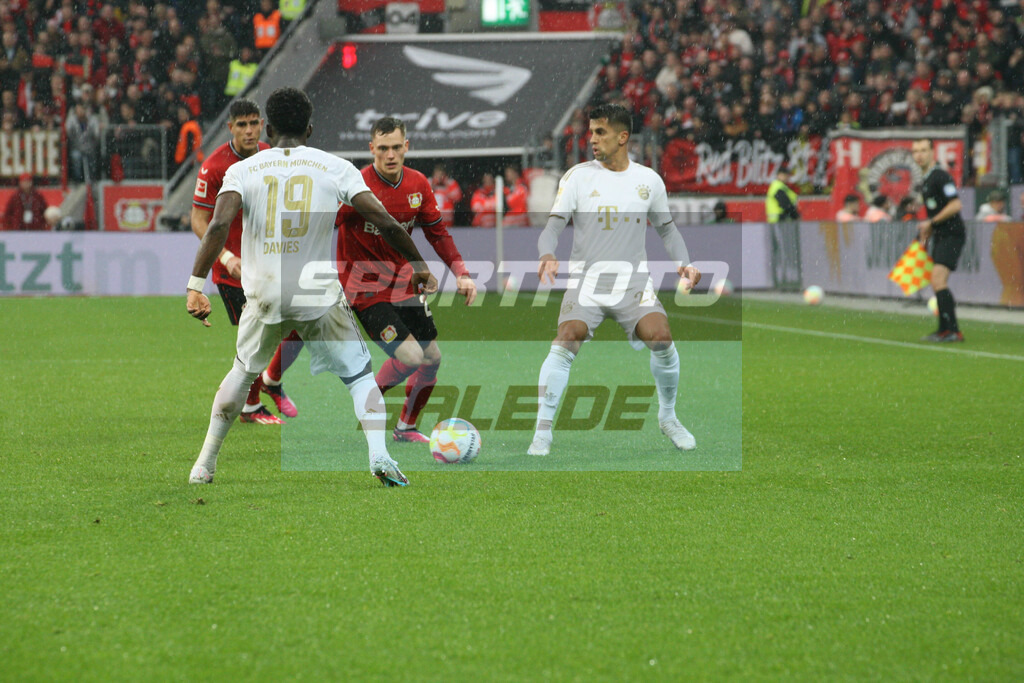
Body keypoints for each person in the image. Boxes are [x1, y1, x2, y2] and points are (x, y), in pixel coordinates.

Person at [186, 87, 437, 486]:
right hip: (317, 295)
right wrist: (419, 266)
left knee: (241, 374)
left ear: (268, 128)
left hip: (265, 293)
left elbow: (217, 226)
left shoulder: (243, 170)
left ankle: (204, 465)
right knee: (358, 377)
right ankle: (379, 455)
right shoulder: (335, 167)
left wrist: (195, 284)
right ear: (310, 128)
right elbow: (387, 221)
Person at [528, 103, 701, 456]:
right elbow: (552, 228)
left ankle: (668, 417)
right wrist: (547, 253)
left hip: (632, 284)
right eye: (591, 132)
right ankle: (542, 431)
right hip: (587, 282)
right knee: (566, 337)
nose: (592, 139)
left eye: (600, 132)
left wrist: (685, 263)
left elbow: (667, 230)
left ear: (623, 137)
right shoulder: (577, 177)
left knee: (662, 338)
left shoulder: (648, 181)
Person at [336, 116, 477, 443]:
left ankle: (406, 428)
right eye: (382, 148)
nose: (390, 154)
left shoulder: (418, 184)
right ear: (371, 149)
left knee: (432, 359)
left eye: (396, 147)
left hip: (404, 284)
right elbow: (324, 224)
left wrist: (462, 273)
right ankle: (367, 398)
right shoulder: (355, 185)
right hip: (365, 288)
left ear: (406, 147)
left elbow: (438, 234)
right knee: (411, 356)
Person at [192, 98, 300, 424]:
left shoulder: (270, 155)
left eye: (254, 123)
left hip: (270, 262)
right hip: (233, 272)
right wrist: (225, 257)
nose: (250, 131)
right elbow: (199, 220)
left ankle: (271, 380)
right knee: (257, 338)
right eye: (242, 125)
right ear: (230, 128)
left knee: (305, 321)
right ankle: (251, 407)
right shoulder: (215, 166)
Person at [912, 138, 966, 342]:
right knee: (936, 282)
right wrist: (930, 229)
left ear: (932, 152)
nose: (919, 154)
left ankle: (953, 331)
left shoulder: (940, 176)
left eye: (923, 150)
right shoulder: (927, 179)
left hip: (952, 234)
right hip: (943, 234)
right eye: (916, 151)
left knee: (938, 280)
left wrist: (931, 223)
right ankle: (944, 330)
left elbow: (955, 205)